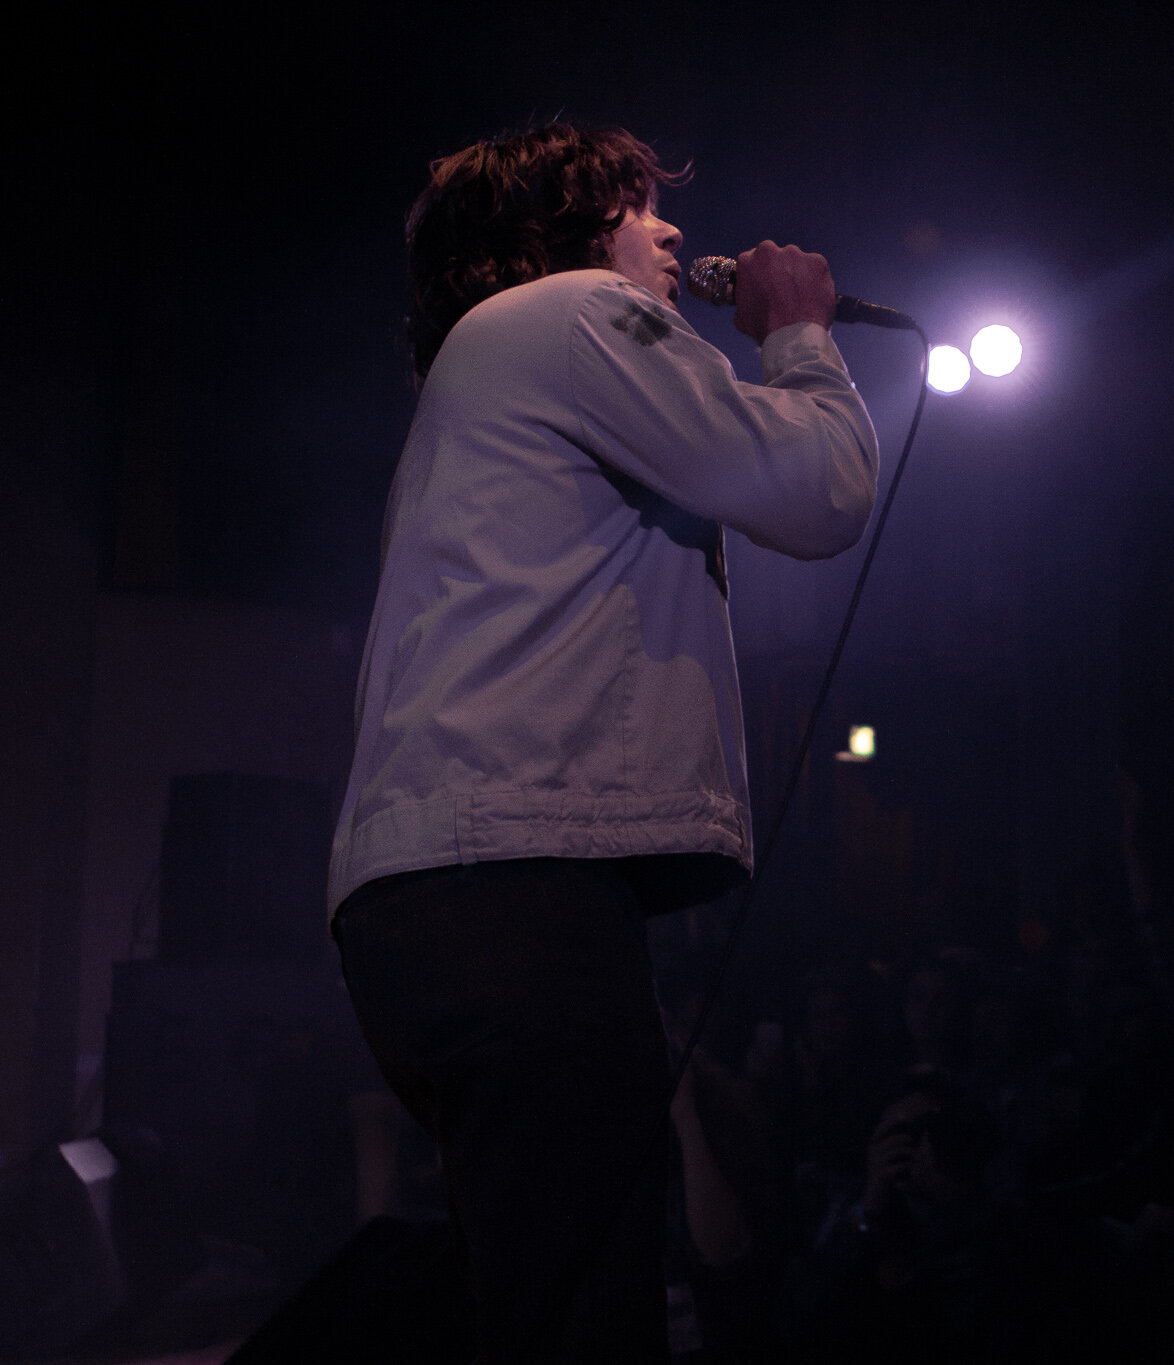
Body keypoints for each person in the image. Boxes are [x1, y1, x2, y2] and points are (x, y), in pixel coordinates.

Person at [325, 121, 879, 1363]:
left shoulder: (485, 370)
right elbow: (821, 489)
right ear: (561, 231)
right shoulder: (575, 314)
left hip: (439, 898)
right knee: (586, 1318)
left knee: (538, 1298)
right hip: (515, 890)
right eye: (634, 207)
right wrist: (799, 333)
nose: (671, 230)